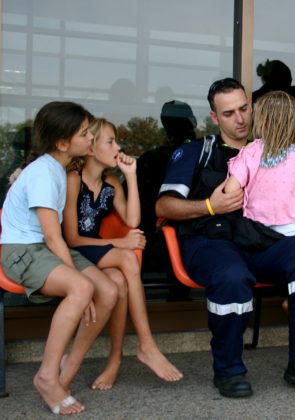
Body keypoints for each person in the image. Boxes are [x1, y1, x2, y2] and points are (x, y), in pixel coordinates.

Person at [156, 78, 295, 401]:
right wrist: (210, 205)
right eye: (228, 113)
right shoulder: (197, 151)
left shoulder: (279, 152)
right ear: (214, 117)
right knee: (231, 274)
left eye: (243, 109)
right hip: (213, 242)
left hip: (262, 242)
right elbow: (164, 205)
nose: (239, 119)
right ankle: (228, 369)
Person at [0, 101, 118, 415]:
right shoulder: (43, 173)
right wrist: (79, 283)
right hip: (22, 251)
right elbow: (53, 236)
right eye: (84, 134)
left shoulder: (60, 169)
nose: (90, 139)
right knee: (82, 289)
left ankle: (67, 371)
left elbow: (56, 240)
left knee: (108, 290)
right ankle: (46, 376)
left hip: (45, 248)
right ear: (62, 143)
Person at [62, 118, 183, 390]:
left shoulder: (112, 182)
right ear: (90, 149)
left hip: (94, 251)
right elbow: (70, 238)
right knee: (128, 257)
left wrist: (131, 175)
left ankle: (115, 361)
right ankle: (146, 345)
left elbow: (133, 219)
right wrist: (120, 243)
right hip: (69, 253)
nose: (118, 147)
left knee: (118, 281)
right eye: (111, 142)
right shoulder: (73, 179)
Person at [223, 90, 295, 364]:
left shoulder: (249, 152)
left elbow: (229, 189)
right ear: (294, 121)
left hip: (259, 238)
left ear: (260, 120)